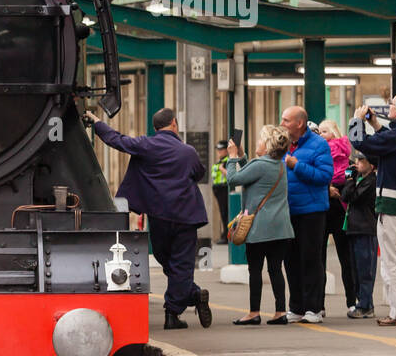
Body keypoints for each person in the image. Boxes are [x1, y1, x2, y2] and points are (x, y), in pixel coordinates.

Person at [84, 106, 212, 330]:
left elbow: (117, 140)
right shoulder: (188, 152)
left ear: (155, 128)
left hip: (159, 216)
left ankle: (172, 313)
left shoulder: (146, 146)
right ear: (174, 124)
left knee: (167, 261)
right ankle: (193, 295)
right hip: (186, 217)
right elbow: (199, 173)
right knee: (178, 265)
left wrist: (97, 123)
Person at [224, 125, 293, 325]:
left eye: (261, 140)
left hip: (259, 228)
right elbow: (253, 173)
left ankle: (254, 312)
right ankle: (280, 311)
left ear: (268, 145)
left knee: (255, 270)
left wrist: (232, 157)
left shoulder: (261, 165)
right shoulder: (277, 164)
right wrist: (243, 156)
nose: (258, 143)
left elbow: (233, 180)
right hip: (281, 228)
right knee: (275, 269)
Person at [351, 93, 396, 326]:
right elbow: (389, 140)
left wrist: (357, 121)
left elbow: (362, 144)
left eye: (392, 104)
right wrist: (374, 123)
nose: (389, 107)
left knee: (393, 262)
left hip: (393, 206)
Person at [280, 106, 334, 324]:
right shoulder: (283, 146)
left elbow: (324, 175)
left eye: (286, 120)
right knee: (290, 260)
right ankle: (296, 307)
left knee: (310, 259)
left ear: (299, 124)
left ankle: (314, 308)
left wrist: (296, 165)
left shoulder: (319, 145)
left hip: (312, 212)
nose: (282, 124)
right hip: (287, 211)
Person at [319, 118, 356, 313]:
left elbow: (351, 183)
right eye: (320, 132)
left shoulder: (349, 164)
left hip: (341, 211)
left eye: (325, 131)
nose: (321, 135)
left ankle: (352, 302)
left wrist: (339, 191)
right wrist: (327, 189)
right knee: (319, 260)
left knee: (346, 260)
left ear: (334, 133)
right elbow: (313, 180)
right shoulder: (318, 159)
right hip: (322, 211)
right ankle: (319, 305)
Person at [340, 150, 378, 319]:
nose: (357, 164)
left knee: (365, 270)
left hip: (365, 228)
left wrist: (349, 180)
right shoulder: (358, 179)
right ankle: (364, 303)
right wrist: (351, 179)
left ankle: (365, 305)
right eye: (357, 160)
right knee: (356, 269)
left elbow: (353, 197)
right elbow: (345, 195)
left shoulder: (371, 181)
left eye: (362, 161)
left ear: (371, 165)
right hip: (354, 227)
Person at [210, 140, 230, 244]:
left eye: (221, 150)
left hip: (224, 189)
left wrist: (222, 169)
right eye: (218, 150)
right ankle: (224, 234)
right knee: (223, 213)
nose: (219, 152)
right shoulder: (220, 161)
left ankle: (226, 235)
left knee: (225, 213)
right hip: (219, 189)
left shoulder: (227, 161)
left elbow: (230, 175)